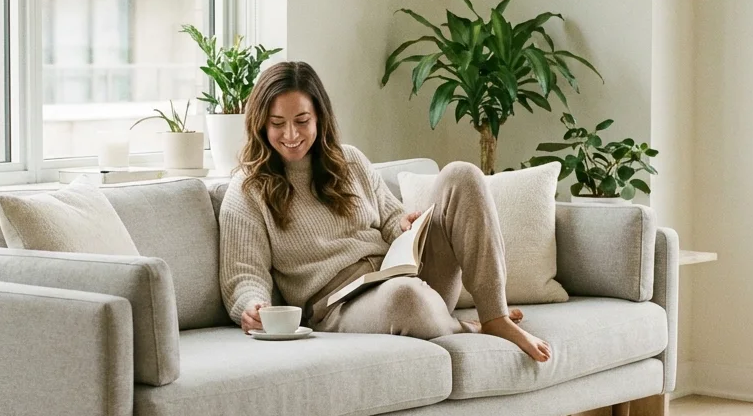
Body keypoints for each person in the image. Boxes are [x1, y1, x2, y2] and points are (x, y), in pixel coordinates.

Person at [217, 61, 552, 362]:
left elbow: (392, 219)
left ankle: (495, 317)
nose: (291, 134)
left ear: (319, 117)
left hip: (404, 274)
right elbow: (244, 273)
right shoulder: (248, 189)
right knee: (405, 297)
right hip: (344, 306)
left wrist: (404, 225)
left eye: (302, 121)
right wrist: (252, 307)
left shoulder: (349, 161)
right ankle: (464, 326)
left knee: (461, 175)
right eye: (277, 123)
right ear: (260, 124)